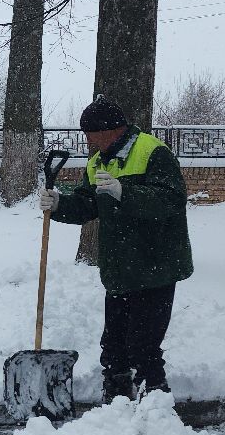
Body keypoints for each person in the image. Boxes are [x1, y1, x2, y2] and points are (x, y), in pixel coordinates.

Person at [40, 95, 193, 404]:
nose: (88, 141)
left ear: (110, 130)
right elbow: (88, 204)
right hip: (120, 265)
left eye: (90, 134)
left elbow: (171, 200)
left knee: (144, 343)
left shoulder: (152, 152)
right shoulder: (98, 161)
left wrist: (125, 192)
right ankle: (117, 392)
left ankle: (155, 402)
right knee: (114, 342)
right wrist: (59, 205)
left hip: (155, 264)